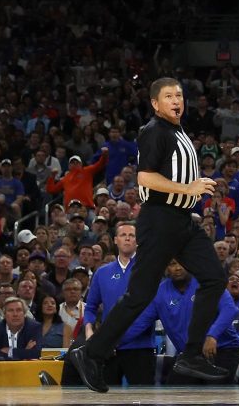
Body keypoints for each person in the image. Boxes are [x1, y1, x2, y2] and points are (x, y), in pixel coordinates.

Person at [67, 78, 229, 393]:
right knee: (140, 295)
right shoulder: (154, 130)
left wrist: (193, 190)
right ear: (155, 103)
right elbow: (145, 177)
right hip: (159, 219)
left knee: (214, 279)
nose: (176, 100)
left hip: (183, 220)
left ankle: (191, 355)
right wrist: (189, 188)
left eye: (179, 95)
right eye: (168, 96)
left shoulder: (178, 131)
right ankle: (90, 353)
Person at [126, 258, 239, 384]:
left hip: (223, 349)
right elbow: (139, 324)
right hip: (190, 354)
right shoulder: (159, 293)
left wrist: (212, 335)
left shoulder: (208, 282)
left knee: (215, 397)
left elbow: (230, 310)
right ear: (165, 268)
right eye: (172, 264)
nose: (178, 268)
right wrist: (111, 341)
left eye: (182, 263)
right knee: (176, 392)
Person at [83, 221, 156, 386]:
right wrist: (89, 329)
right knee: (108, 399)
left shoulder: (148, 270)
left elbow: (150, 312)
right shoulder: (102, 272)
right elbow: (91, 306)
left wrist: (113, 340)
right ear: (115, 240)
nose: (128, 239)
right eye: (123, 235)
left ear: (138, 241)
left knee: (143, 399)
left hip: (139, 348)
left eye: (132, 236)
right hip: (109, 352)